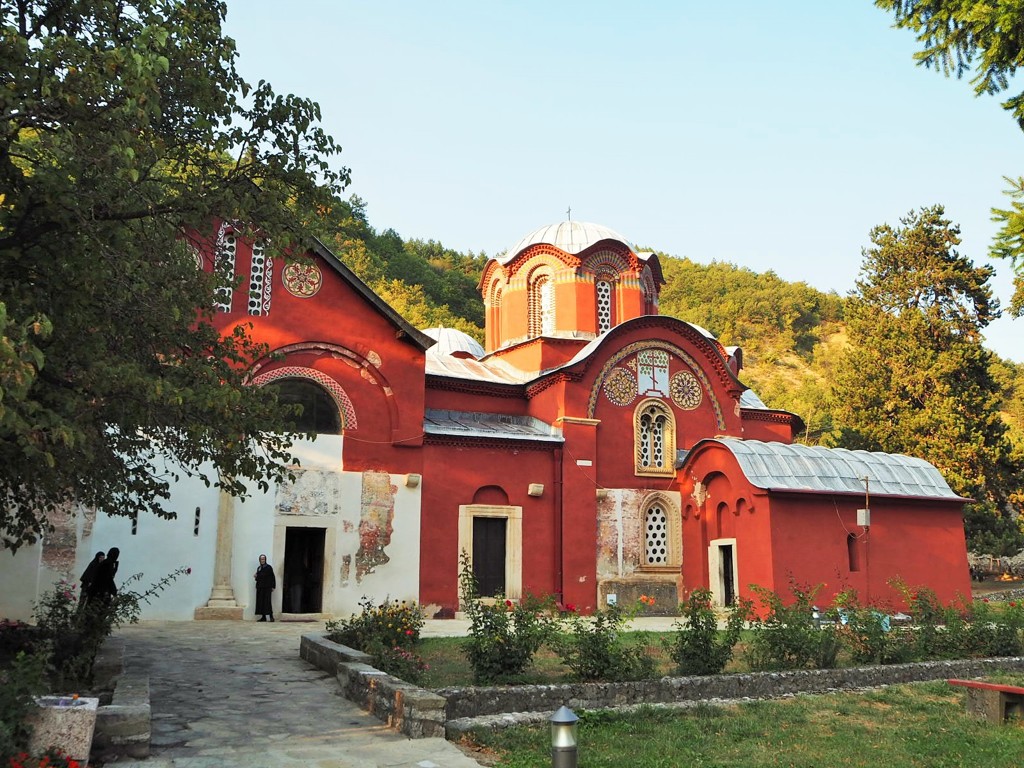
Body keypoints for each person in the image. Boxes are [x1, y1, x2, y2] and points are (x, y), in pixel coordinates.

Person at [254, 554, 276, 622]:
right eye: (261, 559)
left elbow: (272, 577)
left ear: (265, 560)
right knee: (261, 602)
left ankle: (271, 617)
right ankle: (263, 617)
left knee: (267, 602)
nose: (262, 560)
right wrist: (256, 576)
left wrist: (273, 586)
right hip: (260, 587)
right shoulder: (259, 568)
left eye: (263, 559)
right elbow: (259, 578)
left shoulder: (268, 567)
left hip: (267, 587)